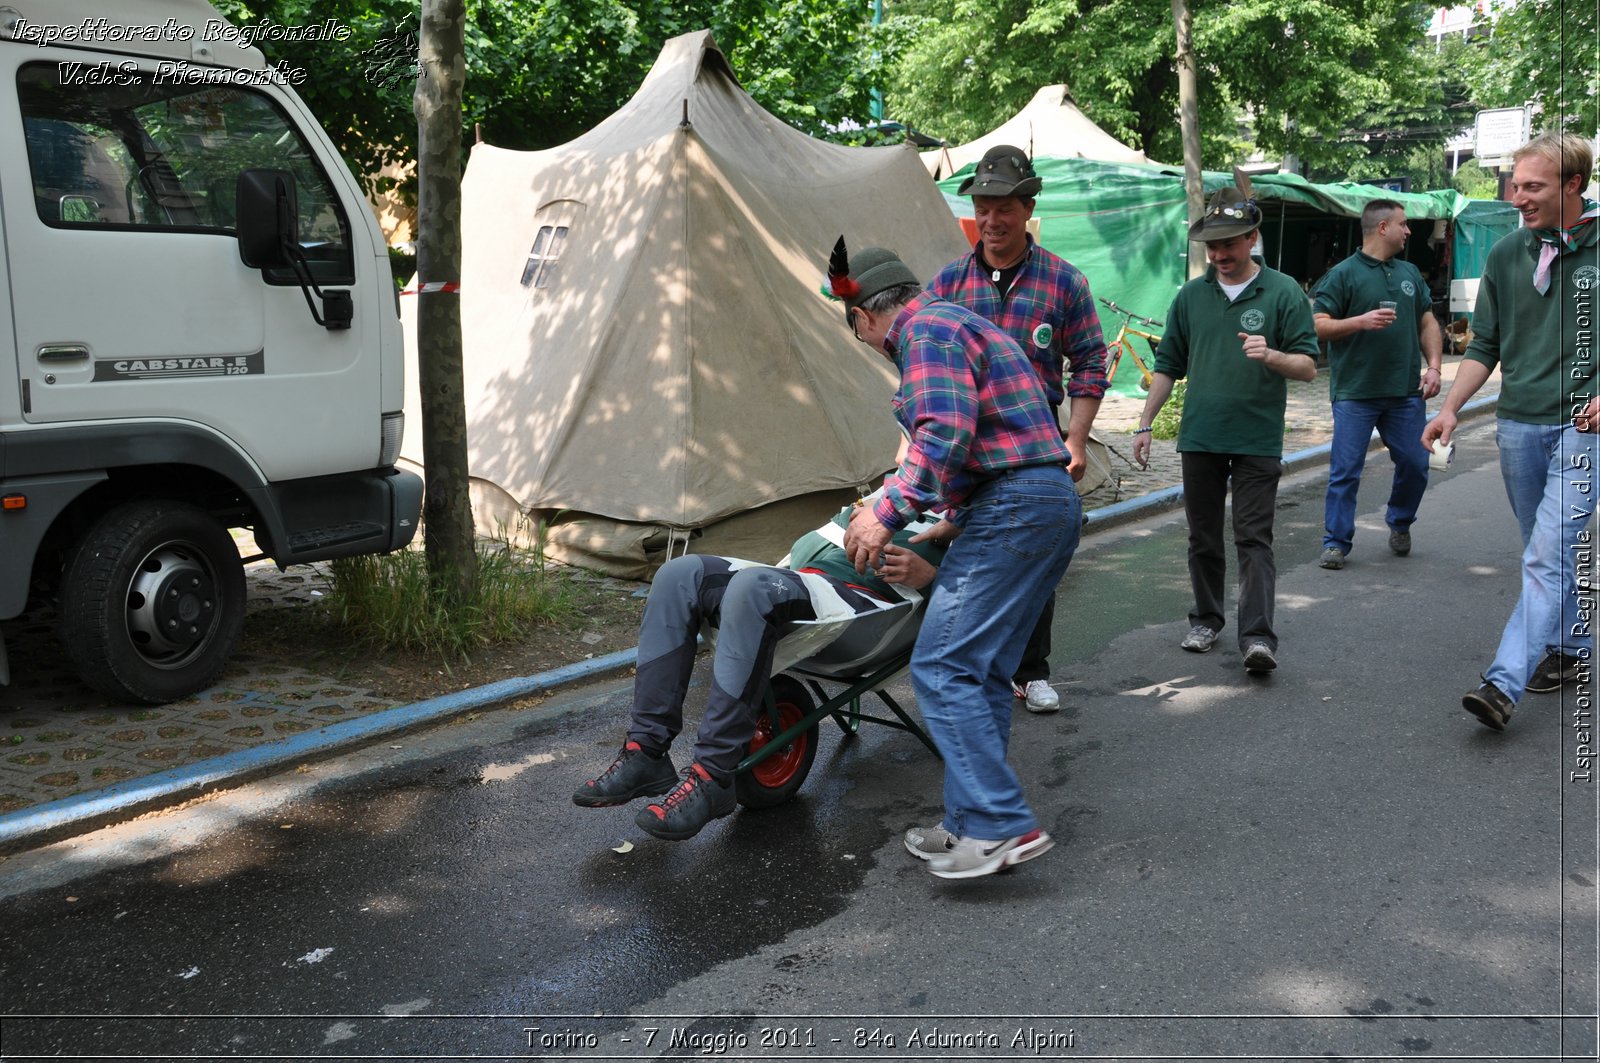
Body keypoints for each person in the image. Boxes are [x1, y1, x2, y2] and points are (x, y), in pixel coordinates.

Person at [828, 239, 1080, 879]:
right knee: (986, 671)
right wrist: (952, 520)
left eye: (857, 328)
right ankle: (972, 826)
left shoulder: (926, 332)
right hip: (1041, 502)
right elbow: (996, 438)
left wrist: (884, 512)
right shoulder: (957, 322)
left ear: (864, 315)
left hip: (1016, 506)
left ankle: (1002, 826)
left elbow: (943, 430)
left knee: (941, 666)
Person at [571, 502, 946, 840]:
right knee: (678, 573)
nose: (912, 443)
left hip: (866, 613)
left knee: (754, 587)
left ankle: (713, 775)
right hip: (803, 581)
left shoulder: (981, 510)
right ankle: (646, 752)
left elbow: (995, 599)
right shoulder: (900, 486)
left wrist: (932, 576)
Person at [1422, 130, 1599, 730]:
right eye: (1515, 185)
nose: (1517, 197)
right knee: (1546, 551)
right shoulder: (1505, 254)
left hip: (1584, 426)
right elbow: (1487, 345)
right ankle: (1574, 650)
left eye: (1533, 186)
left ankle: (1502, 684)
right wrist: (1450, 407)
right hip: (1518, 422)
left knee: (1549, 553)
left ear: (1573, 185)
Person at [928, 145, 1108, 713]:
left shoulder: (1063, 281)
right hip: (963, 445)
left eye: (1003, 206)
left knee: (1032, 554)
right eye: (982, 206)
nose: (990, 220)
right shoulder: (948, 284)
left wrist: (1075, 440)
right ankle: (968, 665)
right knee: (957, 550)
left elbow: (1090, 364)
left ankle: (1031, 671)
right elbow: (921, 367)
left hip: (1034, 450)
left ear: (1027, 207)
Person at [1131, 170, 1319, 674]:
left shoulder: (1283, 293)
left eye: (1228, 244)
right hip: (1201, 437)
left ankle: (1257, 637)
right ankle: (1206, 619)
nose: (1218, 255)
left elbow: (1306, 366)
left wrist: (1272, 355)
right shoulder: (1191, 297)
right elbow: (1168, 365)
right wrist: (1145, 423)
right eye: (1211, 247)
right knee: (1203, 537)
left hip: (1257, 436)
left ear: (1252, 238)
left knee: (1254, 537)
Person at [1312, 199, 1445, 569]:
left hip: (1405, 392)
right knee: (1346, 469)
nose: (1409, 231)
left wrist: (1434, 367)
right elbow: (1318, 324)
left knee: (1417, 464)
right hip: (1356, 391)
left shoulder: (1409, 272)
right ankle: (1336, 542)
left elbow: (1427, 321)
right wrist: (1359, 321)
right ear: (1383, 227)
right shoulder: (1342, 274)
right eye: (1403, 224)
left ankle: (1400, 521)